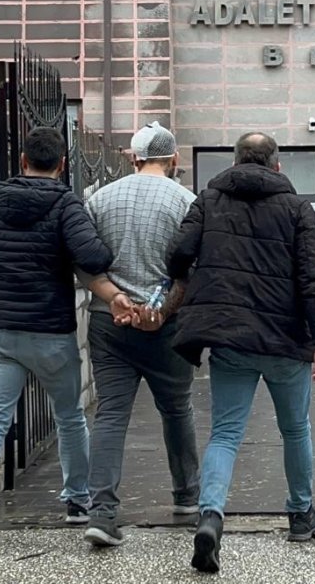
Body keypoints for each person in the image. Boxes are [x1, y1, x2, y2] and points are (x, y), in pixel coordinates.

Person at [166, 132, 315, 573]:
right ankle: (301, 514)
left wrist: (194, 276)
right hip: (286, 340)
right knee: (295, 429)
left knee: (225, 433)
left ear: (235, 162)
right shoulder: (297, 208)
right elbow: (313, 278)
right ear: (277, 165)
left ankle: (210, 517)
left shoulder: (209, 200)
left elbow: (178, 252)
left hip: (231, 336)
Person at [0, 127, 113, 537]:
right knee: (69, 416)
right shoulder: (65, 204)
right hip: (51, 330)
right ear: (62, 164)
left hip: (1, 330)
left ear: (22, 161)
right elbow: (93, 257)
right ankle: (78, 500)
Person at [77, 122, 200, 547]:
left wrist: (115, 298)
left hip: (109, 322)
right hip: (167, 326)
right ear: (174, 159)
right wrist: (161, 311)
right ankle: (187, 497)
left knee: (111, 414)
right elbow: (191, 268)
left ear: (133, 158)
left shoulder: (98, 199)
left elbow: (84, 262)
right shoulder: (187, 202)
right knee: (177, 410)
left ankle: (102, 512)